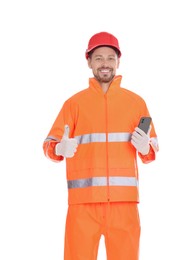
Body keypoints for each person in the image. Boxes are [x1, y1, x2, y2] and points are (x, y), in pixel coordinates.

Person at [43, 31, 159, 260]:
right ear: (88, 62)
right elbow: (49, 144)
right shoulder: (74, 104)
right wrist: (58, 149)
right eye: (98, 58)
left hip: (124, 205)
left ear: (118, 62)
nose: (105, 63)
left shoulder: (136, 103)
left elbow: (152, 150)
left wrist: (146, 148)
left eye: (110, 58)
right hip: (83, 205)